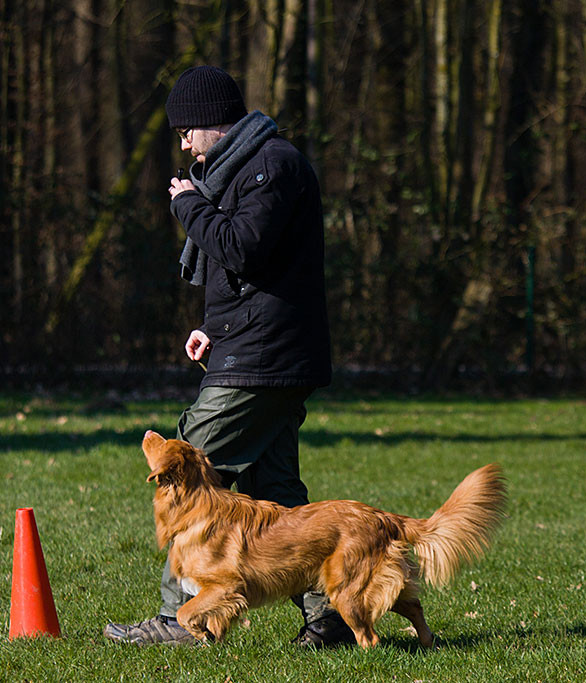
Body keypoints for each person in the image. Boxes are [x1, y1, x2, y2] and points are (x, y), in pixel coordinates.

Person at [103, 65, 352, 648]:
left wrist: (189, 205)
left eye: (187, 130)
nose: (184, 144)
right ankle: (334, 614)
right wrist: (214, 329)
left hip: (267, 358)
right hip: (262, 348)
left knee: (188, 464)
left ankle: (184, 620)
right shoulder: (247, 168)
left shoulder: (273, 166)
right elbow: (256, 272)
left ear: (214, 122)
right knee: (281, 499)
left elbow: (239, 247)